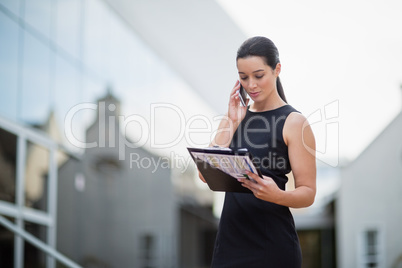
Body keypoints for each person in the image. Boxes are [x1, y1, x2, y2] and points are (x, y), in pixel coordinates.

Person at [199, 36, 316, 267]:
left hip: (272, 246)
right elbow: (204, 175)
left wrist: (278, 196)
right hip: (229, 245)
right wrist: (232, 121)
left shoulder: (294, 122)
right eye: (243, 77)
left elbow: (308, 193)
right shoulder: (233, 118)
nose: (251, 85)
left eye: (258, 75)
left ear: (277, 69)